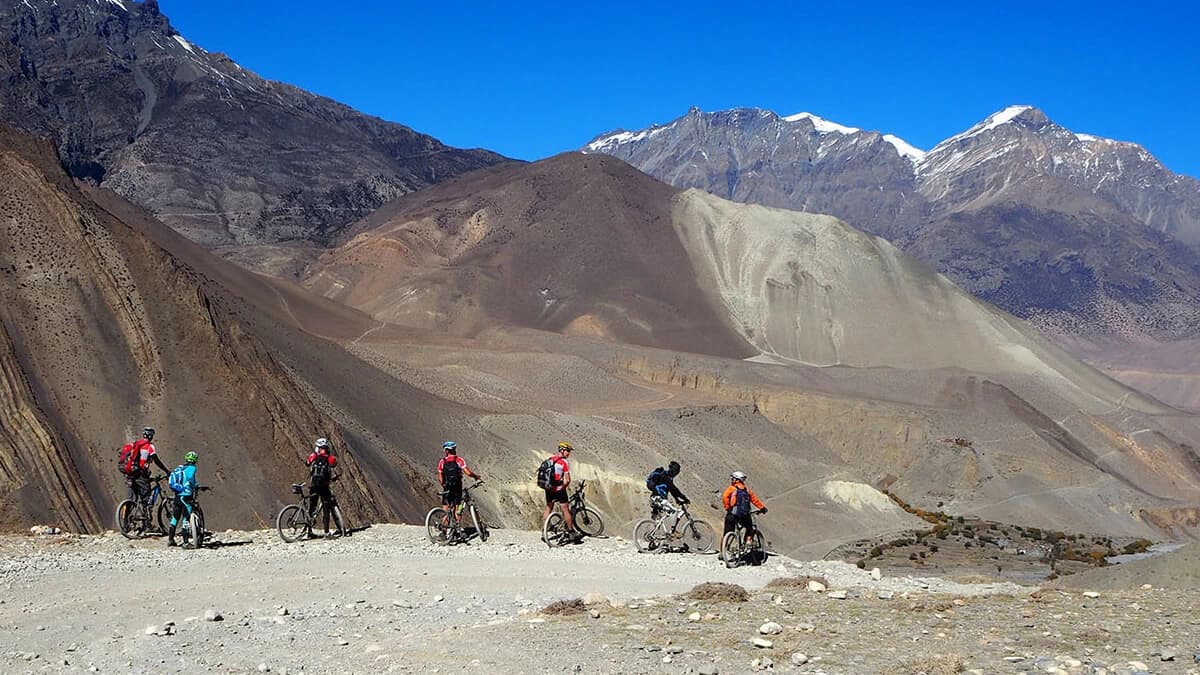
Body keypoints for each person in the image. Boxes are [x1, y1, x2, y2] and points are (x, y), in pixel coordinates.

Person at [541, 441, 581, 543]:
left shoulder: (551, 459)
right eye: (567, 451)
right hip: (559, 489)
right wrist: (563, 487)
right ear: (562, 450)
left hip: (548, 489)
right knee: (565, 510)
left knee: (548, 508)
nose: (568, 453)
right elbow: (567, 480)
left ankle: (543, 531)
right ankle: (571, 532)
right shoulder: (564, 462)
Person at [436, 441, 481, 532]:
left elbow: (440, 476)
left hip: (447, 488)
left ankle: (443, 533)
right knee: (457, 509)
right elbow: (467, 472)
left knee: (446, 510)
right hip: (457, 488)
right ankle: (456, 530)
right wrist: (476, 476)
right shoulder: (459, 460)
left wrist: (444, 485)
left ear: (446, 451)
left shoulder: (442, 462)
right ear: (454, 449)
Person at [306, 437, 339, 537]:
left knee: (311, 508)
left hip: (313, 485)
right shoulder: (329, 458)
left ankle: (309, 532)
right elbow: (334, 463)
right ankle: (326, 532)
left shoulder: (313, 456)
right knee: (326, 508)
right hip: (324, 487)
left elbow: (307, 463)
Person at [127, 427, 169, 506]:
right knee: (146, 495)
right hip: (141, 473)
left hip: (132, 472)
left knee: (133, 494)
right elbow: (156, 460)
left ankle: (124, 515)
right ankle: (143, 513)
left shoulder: (137, 444)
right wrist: (166, 471)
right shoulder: (150, 446)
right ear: (150, 436)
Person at [166, 451, 200, 547]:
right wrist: (195, 485)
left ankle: (170, 540)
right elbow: (190, 478)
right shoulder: (192, 468)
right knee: (186, 518)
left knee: (175, 518)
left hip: (177, 496)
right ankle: (185, 542)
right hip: (186, 496)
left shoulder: (180, 469)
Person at [722, 470, 766, 541]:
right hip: (744, 515)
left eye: (733, 479)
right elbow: (755, 500)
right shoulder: (747, 490)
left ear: (737, 480)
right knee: (749, 527)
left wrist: (727, 507)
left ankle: (723, 550)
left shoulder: (731, 488)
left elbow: (725, 497)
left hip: (732, 514)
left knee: (726, 533)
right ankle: (748, 543)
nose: (732, 480)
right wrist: (762, 508)